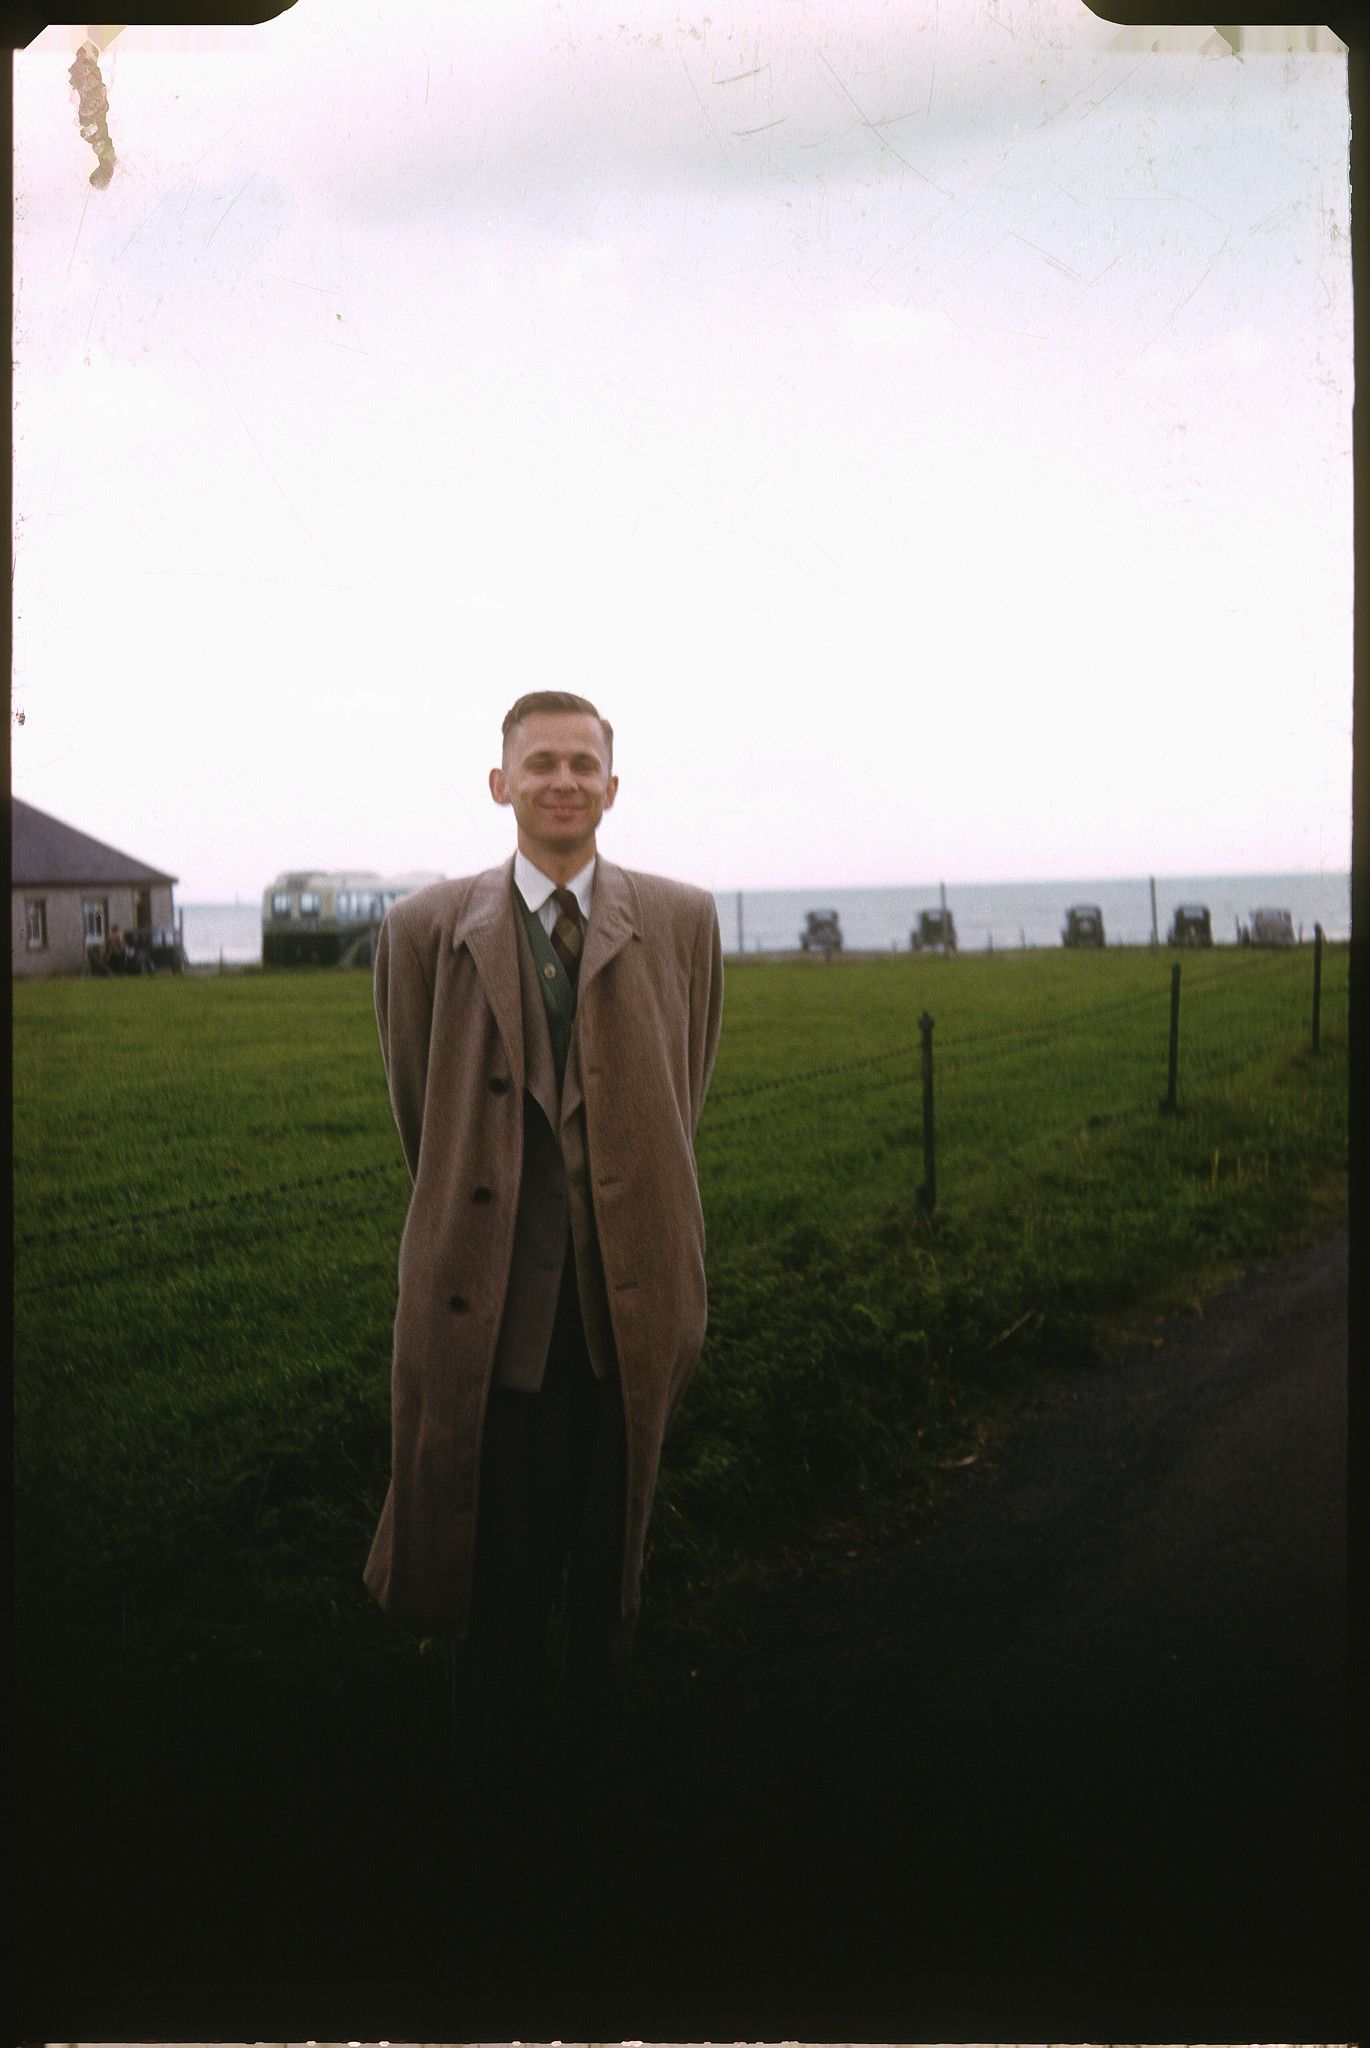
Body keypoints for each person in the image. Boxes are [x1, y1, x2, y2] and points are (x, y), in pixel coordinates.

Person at [363, 690, 723, 1778]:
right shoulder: (425, 928)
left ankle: (594, 1802)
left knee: (610, 1574)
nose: (560, 781)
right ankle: (494, 1814)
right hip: (491, 1324)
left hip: (624, 1313)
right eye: (539, 764)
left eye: (581, 764)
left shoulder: (682, 918)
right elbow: (422, 1110)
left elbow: (681, 1087)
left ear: (611, 787)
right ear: (499, 783)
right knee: (489, 1580)